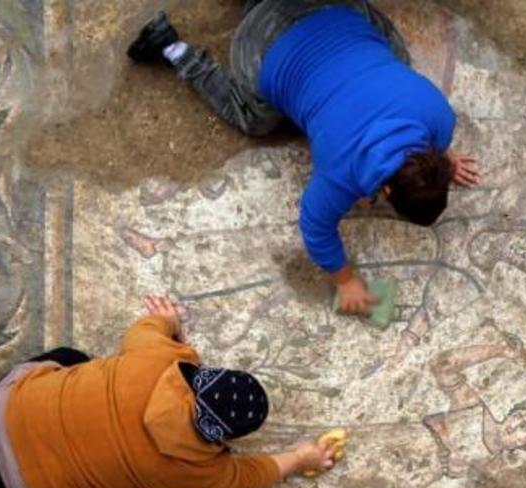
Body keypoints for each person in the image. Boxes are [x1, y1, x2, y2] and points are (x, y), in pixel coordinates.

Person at [128, 0, 480, 315]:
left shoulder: (440, 117)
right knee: (254, 119)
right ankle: (173, 48)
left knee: (393, 57)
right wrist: (345, 281)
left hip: (337, 8)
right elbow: (316, 228)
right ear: (385, 192)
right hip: (260, 41)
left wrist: (448, 163)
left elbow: (435, 145)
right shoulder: (340, 175)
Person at [0, 295, 340, 488]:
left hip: (4, 413)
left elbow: (142, 330)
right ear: (225, 439)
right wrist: (300, 455)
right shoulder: (200, 468)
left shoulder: (156, 357)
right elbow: (249, 477)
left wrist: (168, 321)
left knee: (70, 358)